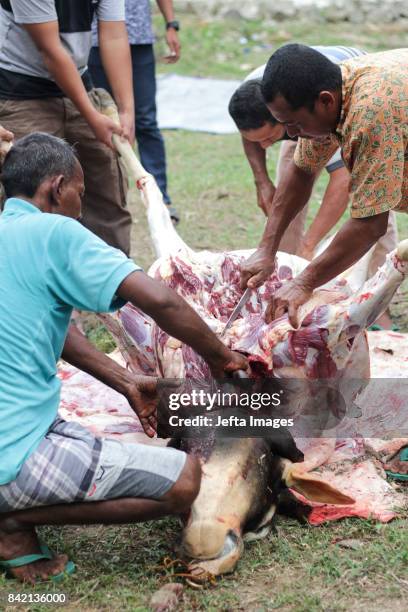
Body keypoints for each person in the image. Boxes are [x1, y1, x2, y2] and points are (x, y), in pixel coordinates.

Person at [0, 133, 248, 584]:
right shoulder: (55, 230)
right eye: (80, 191)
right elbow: (163, 302)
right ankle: (9, 524)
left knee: (82, 444)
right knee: (183, 480)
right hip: (8, 453)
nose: (81, 202)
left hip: (19, 428)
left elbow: (53, 331)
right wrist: (224, 358)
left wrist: (126, 380)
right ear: (57, 188)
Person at [240, 44, 407, 328]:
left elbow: (369, 225)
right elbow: (302, 171)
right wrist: (266, 248)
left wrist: (304, 282)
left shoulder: (370, 112)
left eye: (293, 124)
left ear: (325, 101)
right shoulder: (337, 91)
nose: (291, 134)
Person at [0, 0, 134, 254]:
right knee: (32, 199)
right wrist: (93, 117)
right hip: (22, 91)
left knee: (107, 193)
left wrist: (127, 109)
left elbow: (114, 35)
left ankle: (114, 286)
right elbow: (50, 50)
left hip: (81, 82)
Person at [89, 0, 181, 224]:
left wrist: (171, 24)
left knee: (146, 120)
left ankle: (160, 199)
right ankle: (108, 202)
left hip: (137, 36)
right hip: (94, 40)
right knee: (96, 125)